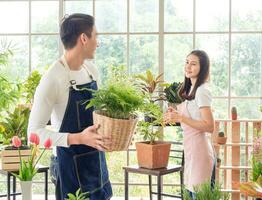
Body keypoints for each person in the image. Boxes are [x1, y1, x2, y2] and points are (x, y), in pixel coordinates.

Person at [28, 13, 113, 200]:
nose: (98, 42)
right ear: (84, 38)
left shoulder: (92, 71)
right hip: (69, 169)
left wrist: (112, 135)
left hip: (97, 166)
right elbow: (33, 133)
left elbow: (98, 117)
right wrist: (79, 138)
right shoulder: (53, 79)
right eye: (95, 36)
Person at [163, 50, 215, 199]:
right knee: (191, 193)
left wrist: (181, 118)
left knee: (198, 195)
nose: (188, 66)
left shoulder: (202, 91)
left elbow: (209, 126)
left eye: (193, 64)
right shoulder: (193, 90)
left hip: (200, 151)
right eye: (187, 62)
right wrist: (176, 114)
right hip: (192, 149)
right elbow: (192, 116)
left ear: (202, 67)